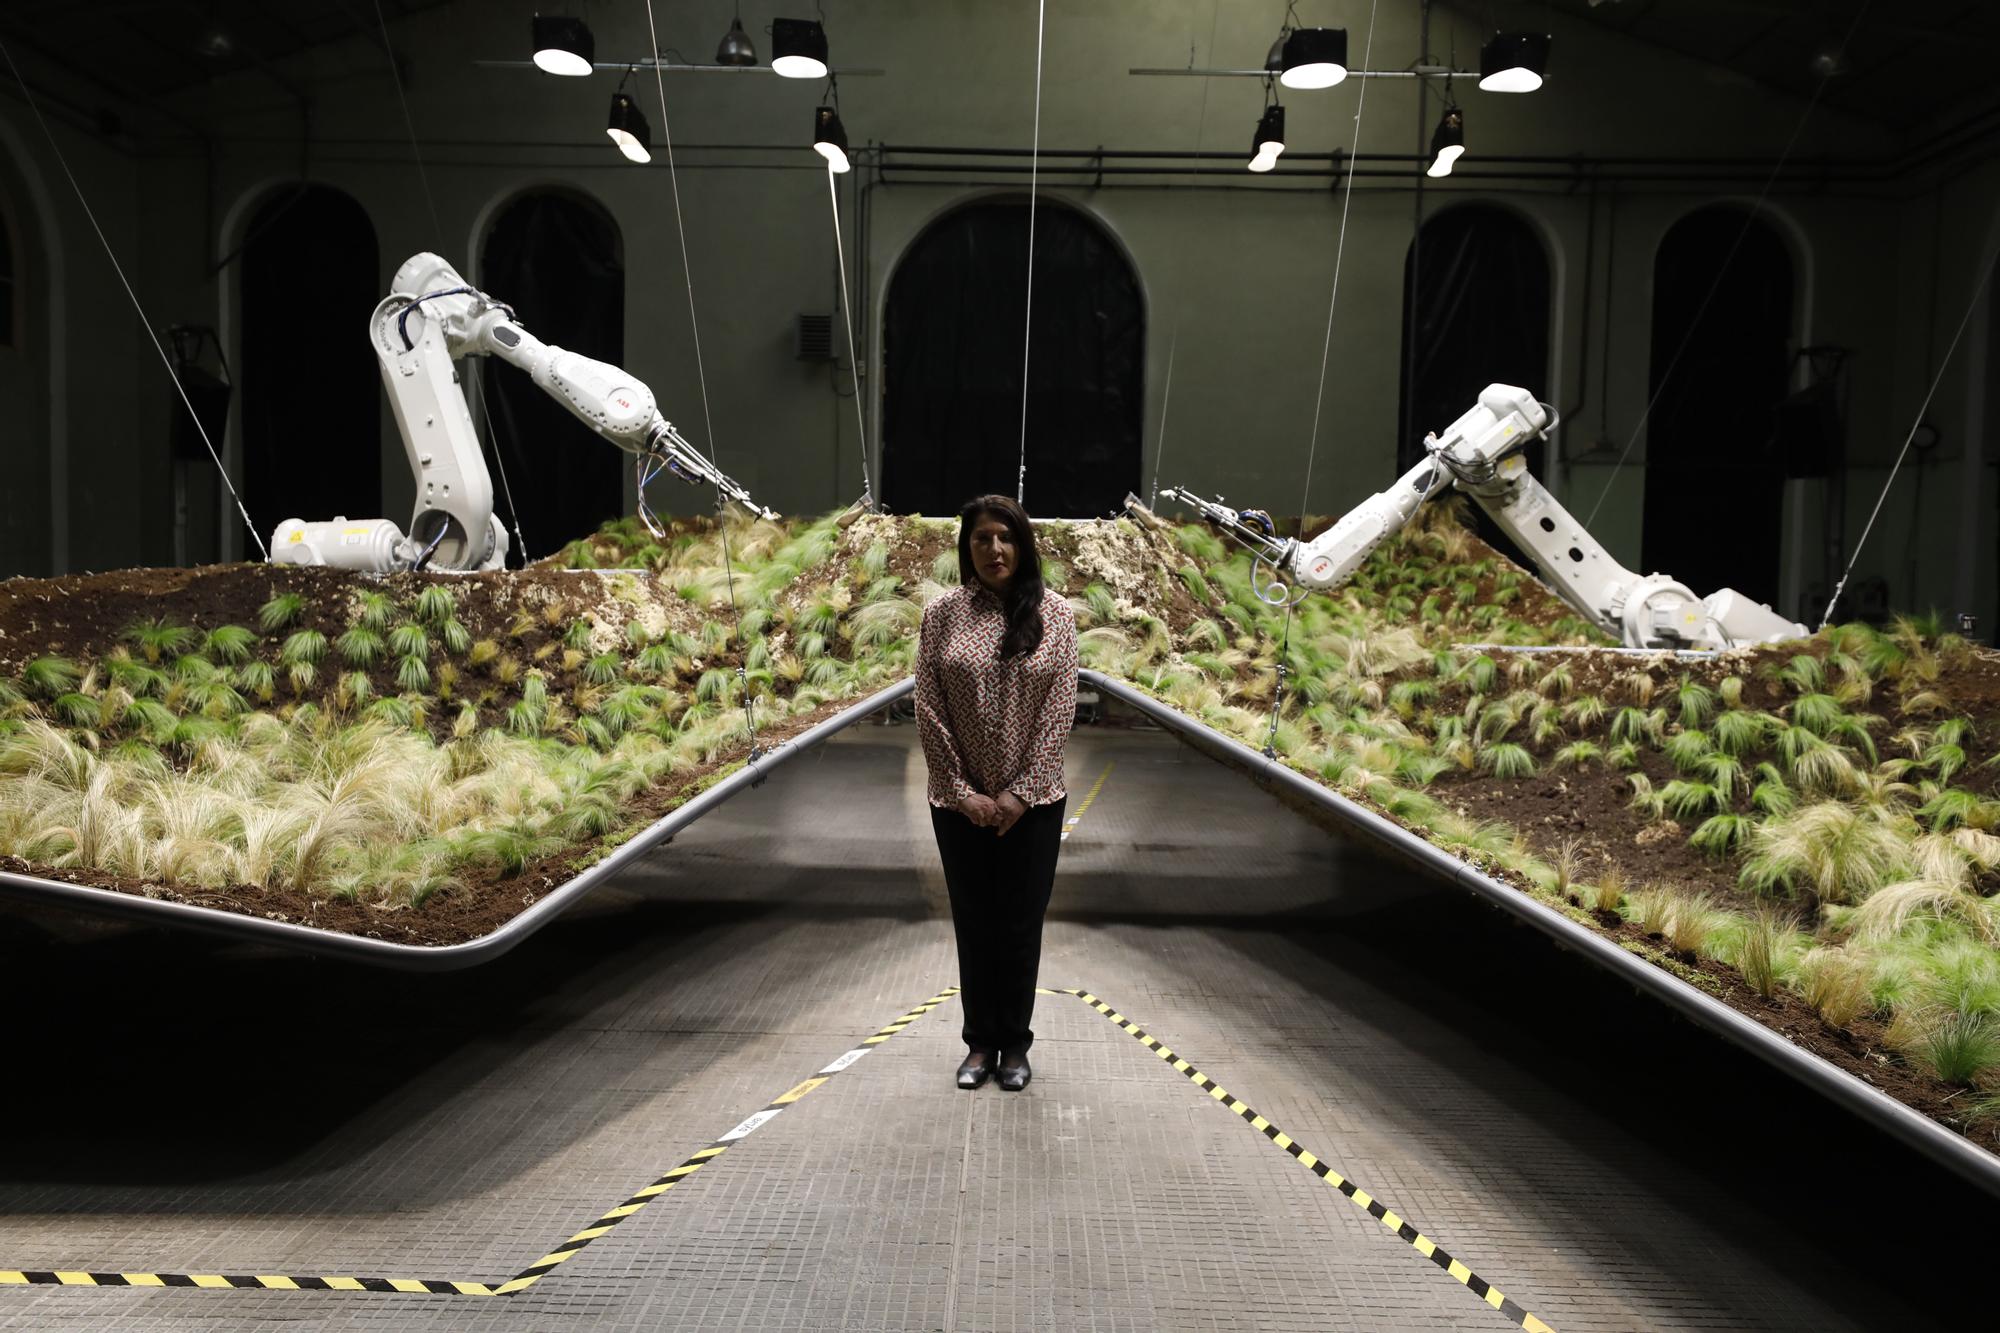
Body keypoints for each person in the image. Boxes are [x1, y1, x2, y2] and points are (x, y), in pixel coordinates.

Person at [915, 494, 1079, 1092]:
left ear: (1023, 545)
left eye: (1005, 538)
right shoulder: (942, 616)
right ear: (967, 547)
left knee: (1019, 923)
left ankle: (1016, 1044)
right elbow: (929, 707)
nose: (994, 550)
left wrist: (1019, 794)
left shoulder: (1056, 616)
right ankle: (979, 1044)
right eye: (981, 539)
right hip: (958, 806)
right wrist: (962, 792)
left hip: (1033, 806)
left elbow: (1059, 711)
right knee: (975, 921)